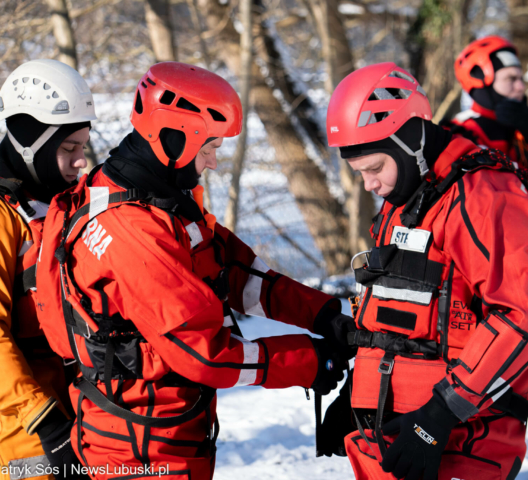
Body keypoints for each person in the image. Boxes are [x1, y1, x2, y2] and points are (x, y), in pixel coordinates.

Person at [33, 61, 353, 480]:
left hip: (163, 438)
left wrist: (323, 314)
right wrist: (307, 360)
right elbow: (205, 354)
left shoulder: (147, 197)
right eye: (211, 148)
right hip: (140, 455)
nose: (214, 163)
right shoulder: (135, 231)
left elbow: (233, 272)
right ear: (175, 138)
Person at [319, 62, 528, 480]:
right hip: (392, 437)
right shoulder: (408, 196)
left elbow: (523, 317)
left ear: (411, 138)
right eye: (358, 172)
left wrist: (438, 416)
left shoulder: (482, 195)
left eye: (375, 168)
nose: (368, 185)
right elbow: (393, 304)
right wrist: (354, 392)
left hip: (459, 443)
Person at [0, 59, 96, 480]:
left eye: (83, 147)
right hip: (22, 441)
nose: (80, 163)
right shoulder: (6, 219)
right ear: (27, 143)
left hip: (82, 422)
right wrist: (44, 420)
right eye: (67, 149)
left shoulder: (67, 205)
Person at [448, 35, 528, 204]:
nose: (521, 87)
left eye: (521, 78)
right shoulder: (459, 135)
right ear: (481, 81)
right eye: (511, 79)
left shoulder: (524, 129)